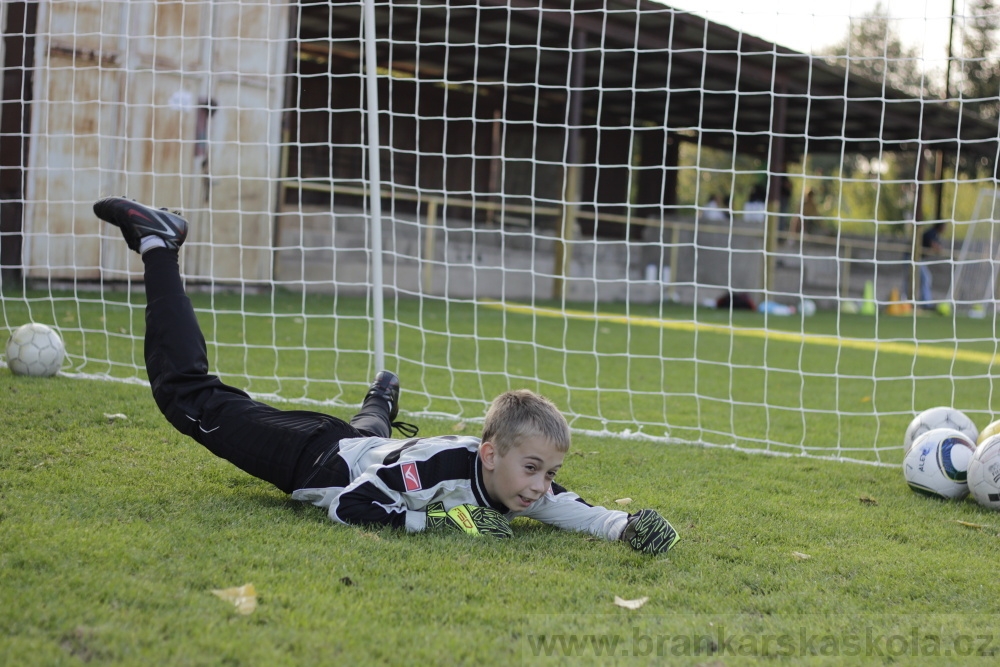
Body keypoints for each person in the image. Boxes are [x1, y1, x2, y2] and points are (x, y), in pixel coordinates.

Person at [91, 196, 680, 554]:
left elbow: (569, 507)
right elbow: (349, 506)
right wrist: (448, 524)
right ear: (489, 452)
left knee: (371, 439)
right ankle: (158, 243)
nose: (539, 486)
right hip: (312, 458)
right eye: (533, 469)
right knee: (189, 398)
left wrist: (622, 526)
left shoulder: (516, 482)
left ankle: (379, 401)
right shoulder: (442, 471)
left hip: (364, 445)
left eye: (548, 472)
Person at [918, 221, 947, 307]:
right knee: (925, 278)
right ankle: (926, 303)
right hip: (913, 258)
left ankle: (925, 302)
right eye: (945, 226)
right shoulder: (931, 233)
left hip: (920, 259)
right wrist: (939, 248)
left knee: (926, 278)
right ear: (941, 226)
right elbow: (934, 245)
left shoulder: (936, 235)